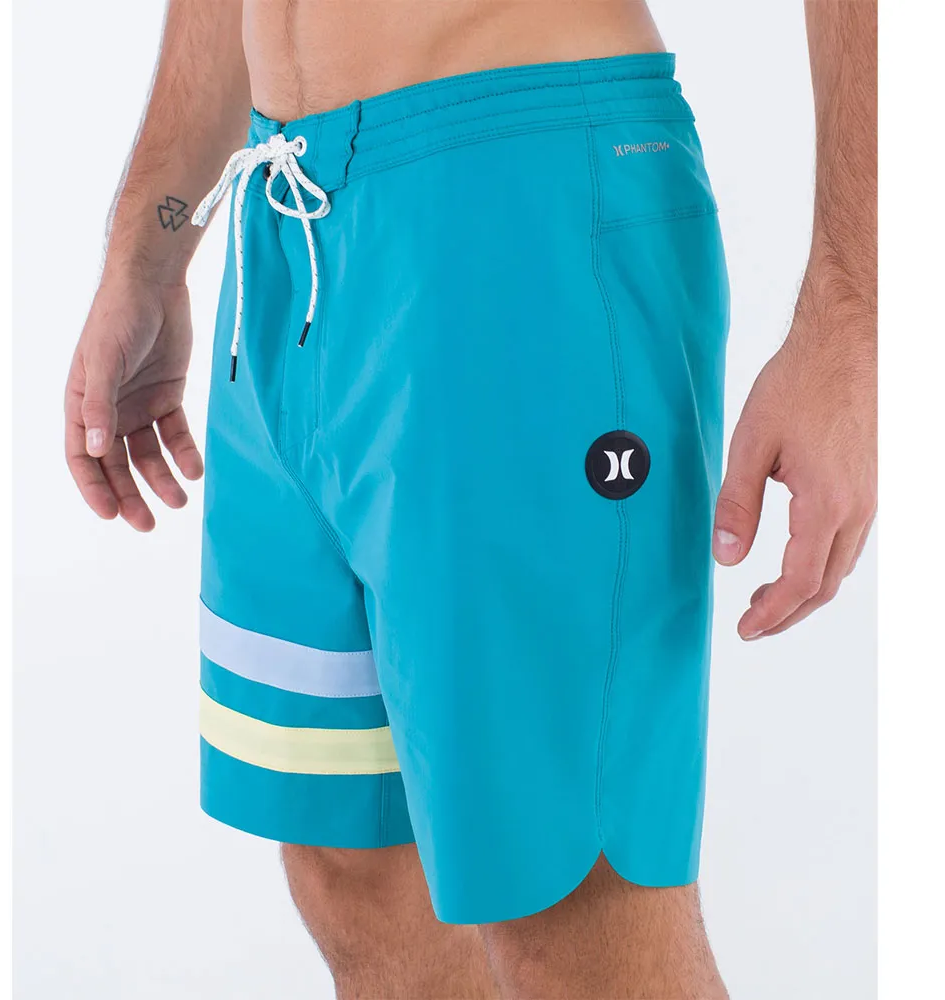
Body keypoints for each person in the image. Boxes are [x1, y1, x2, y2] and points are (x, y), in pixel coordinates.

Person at [64, 1, 876, 996]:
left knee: (568, 908)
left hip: (517, 199)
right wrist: (146, 254)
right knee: (355, 866)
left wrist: (853, 319)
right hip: (284, 223)